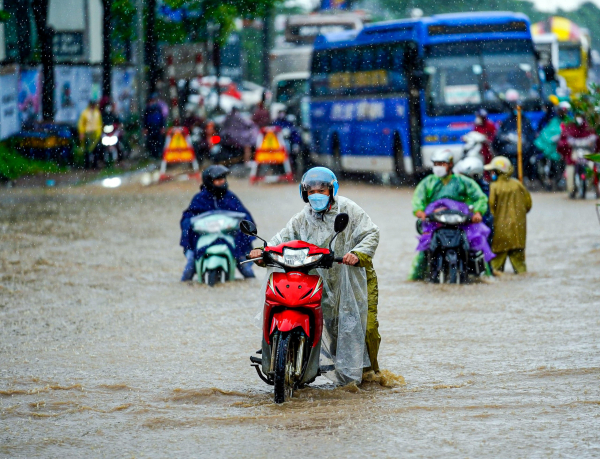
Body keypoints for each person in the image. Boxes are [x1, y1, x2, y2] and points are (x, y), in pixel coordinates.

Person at [249, 167, 381, 382]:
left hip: (352, 278)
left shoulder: (348, 209)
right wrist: (263, 252)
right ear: (304, 194)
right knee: (333, 329)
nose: (316, 195)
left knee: (362, 330)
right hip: (318, 281)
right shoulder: (303, 217)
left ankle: (367, 375)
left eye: (321, 190)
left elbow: (371, 233)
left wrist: (357, 254)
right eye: (311, 192)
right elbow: (282, 239)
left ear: (331, 191)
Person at [410, 149, 493, 280]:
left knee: (478, 246)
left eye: (441, 164)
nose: (438, 167)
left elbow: (479, 197)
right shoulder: (428, 182)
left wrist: (477, 212)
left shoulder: (463, 181)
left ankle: (487, 276)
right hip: (436, 221)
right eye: (436, 163)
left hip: (461, 221)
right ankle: (415, 278)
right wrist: (419, 211)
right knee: (424, 250)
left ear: (450, 164)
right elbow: (418, 199)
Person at [180, 165, 256, 281]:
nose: (222, 181)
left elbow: (245, 215)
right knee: (189, 267)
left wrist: (245, 225)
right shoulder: (199, 199)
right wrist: (188, 225)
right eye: (218, 179)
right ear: (209, 182)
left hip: (229, 238)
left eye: (223, 178)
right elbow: (187, 217)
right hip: (203, 238)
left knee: (246, 269)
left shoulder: (230, 197)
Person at [484, 156, 532, 274]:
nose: (491, 173)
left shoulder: (493, 187)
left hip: (500, 234)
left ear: (498, 171)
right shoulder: (518, 185)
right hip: (518, 232)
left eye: (493, 171)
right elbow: (528, 205)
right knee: (521, 268)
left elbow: (490, 209)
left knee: (496, 269)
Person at [557, 112, 599, 198]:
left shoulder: (589, 128)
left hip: (587, 154)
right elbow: (563, 141)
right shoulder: (570, 127)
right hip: (574, 154)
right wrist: (568, 144)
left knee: (594, 167)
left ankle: (596, 188)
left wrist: (593, 142)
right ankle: (571, 189)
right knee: (570, 169)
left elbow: (596, 139)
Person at [453, 156, 494, 241]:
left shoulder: (482, 190)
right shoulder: (461, 186)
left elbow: (484, 212)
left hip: (476, 228)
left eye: (463, 175)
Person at [534, 101, 570, 190]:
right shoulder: (553, 120)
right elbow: (547, 133)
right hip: (552, 148)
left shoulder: (569, 121)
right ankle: (551, 180)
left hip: (565, 147)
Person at [77, 99, 103, 169]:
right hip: (88, 133)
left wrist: (100, 132)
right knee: (87, 150)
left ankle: (95, 164)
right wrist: (81, 132)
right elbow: (81, 123)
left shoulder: (97, 113)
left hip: (96, 134)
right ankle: (87, 165)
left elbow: (100, 123)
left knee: (96, 150)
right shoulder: (85, 113)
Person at [143, 93, 166, 159]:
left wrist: (162, 127)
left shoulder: (158, 108)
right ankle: (153, 155)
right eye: (151, 101)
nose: (152, 102)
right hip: (150, 128)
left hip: (157, 127)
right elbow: (144, 119)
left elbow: (162, 118)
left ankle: (160, 154)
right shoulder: (147, 109)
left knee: (159, 141)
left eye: (153, 100)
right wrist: (145, 128)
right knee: (151, 142)